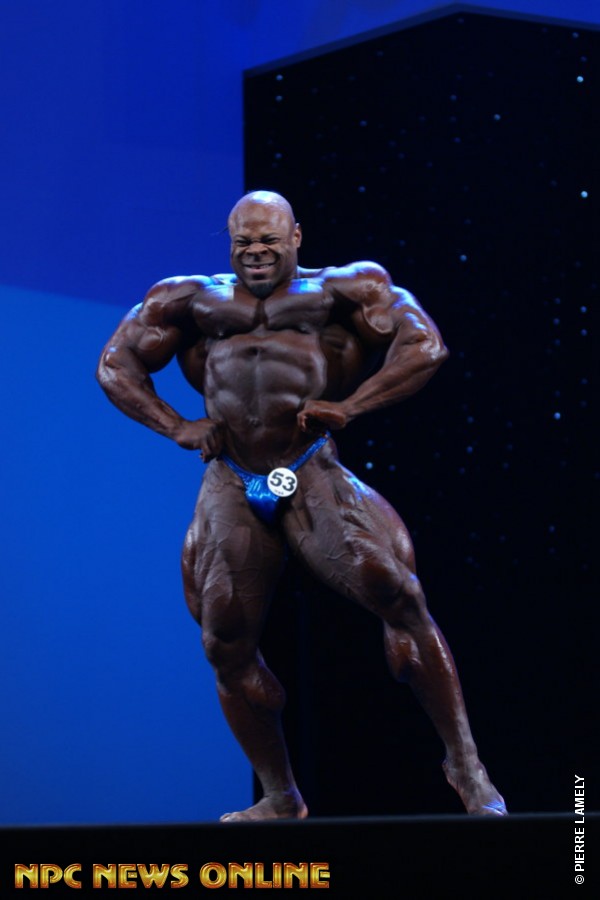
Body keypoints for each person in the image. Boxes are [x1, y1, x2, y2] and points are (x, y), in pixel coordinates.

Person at [97, 190, 506, 821]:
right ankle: (280, 796)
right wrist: (176, 425)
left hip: (309, 465)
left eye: (269, 240)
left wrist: (352, 406)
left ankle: (465, 765)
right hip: (232, 476)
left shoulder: (343, 289)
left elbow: (424, 345)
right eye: (243, 242)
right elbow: (115, 364)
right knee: (223, 642)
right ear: (229, 243)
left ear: (296, 237)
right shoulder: (189, 299)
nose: (256, 253)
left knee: (397, 592)